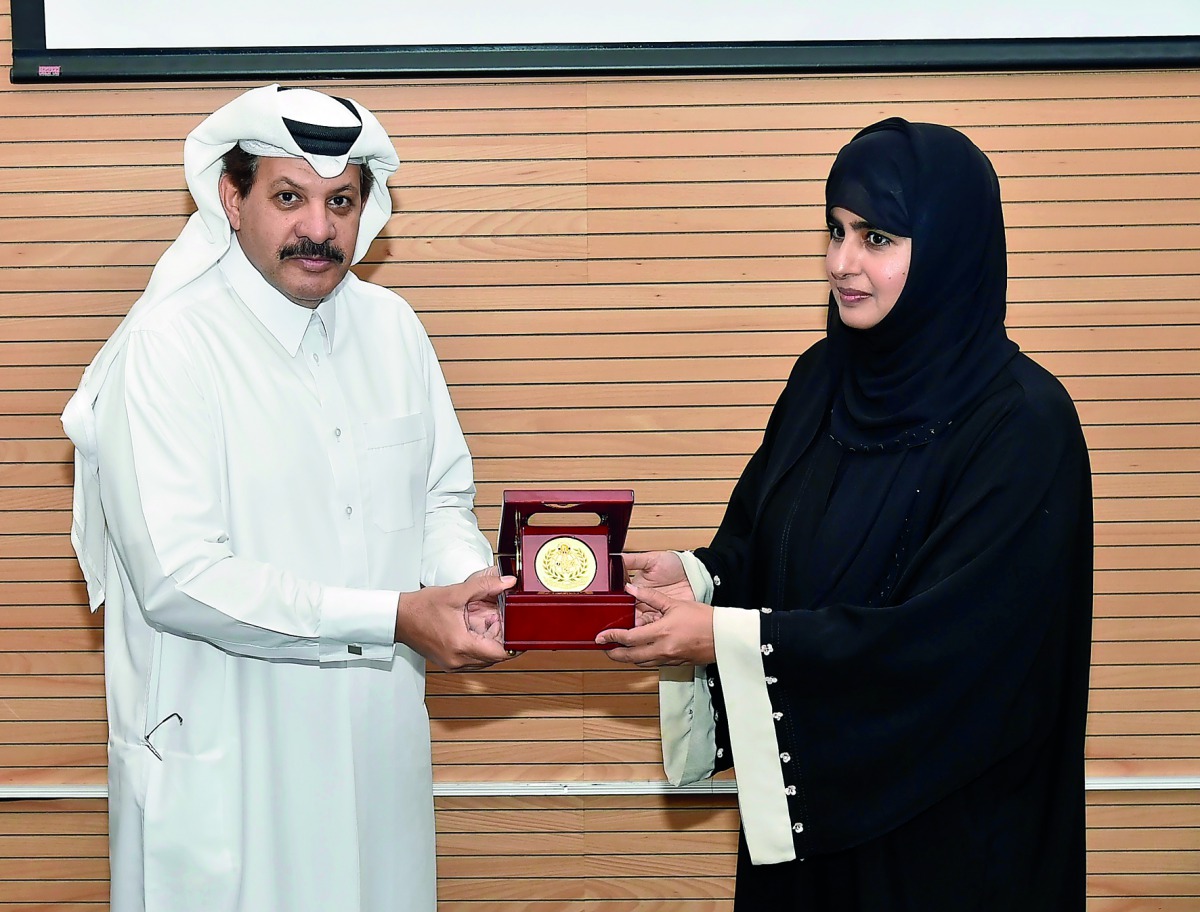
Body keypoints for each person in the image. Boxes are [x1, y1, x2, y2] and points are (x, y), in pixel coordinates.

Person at [598, 117, 1093, 910]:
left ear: (950, 250)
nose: (841, 263)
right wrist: (695, 578)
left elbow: (954, 647)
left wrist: (724, 635)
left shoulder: (1024, 425)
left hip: (948, 848)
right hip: (809, 842)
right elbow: (766, 541)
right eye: (835, 230)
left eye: (878, 237)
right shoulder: (822, 381)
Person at [61, 85, 513, 912]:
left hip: (372, 760)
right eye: (288, 197)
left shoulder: (393, 330)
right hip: (231, 767)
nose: (319, 228)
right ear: (231, 200)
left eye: (341, 201)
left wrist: (470, 588)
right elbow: (179, 578)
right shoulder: (169, 350)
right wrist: (394, 618)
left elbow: (441, 501)